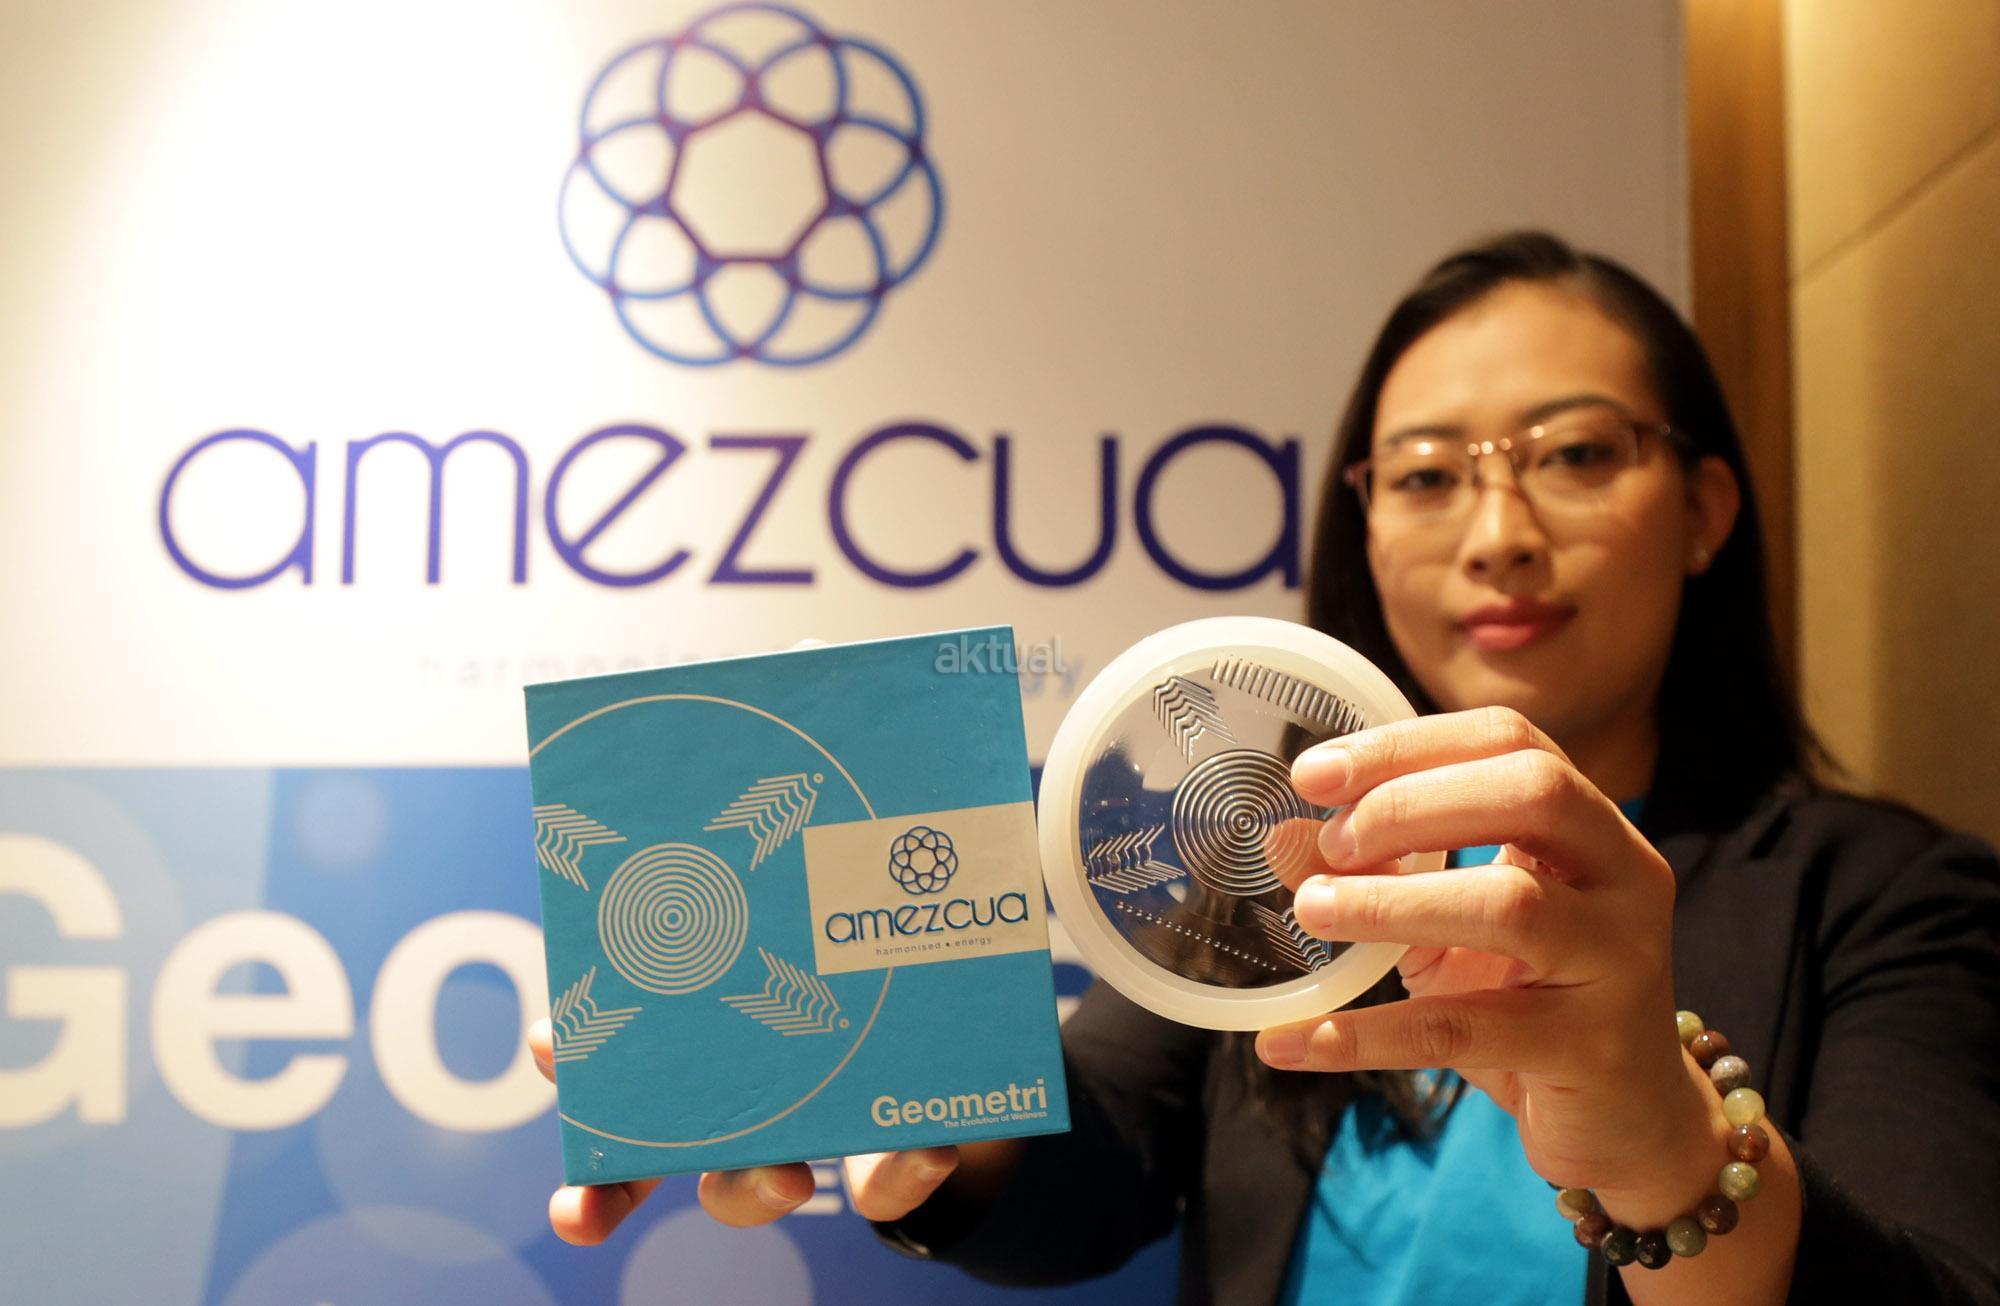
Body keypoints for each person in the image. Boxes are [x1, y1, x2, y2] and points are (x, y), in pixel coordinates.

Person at [527, 232, 2000, 1305]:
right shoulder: (1266, 847)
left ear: (1704, 508)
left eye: (1575, 453)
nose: (1498, 534)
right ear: (1365, 525)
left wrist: (1673, 1154)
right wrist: (920, 1082)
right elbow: (1096, 1161)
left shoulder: (1888, 899)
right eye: (1426, 475)